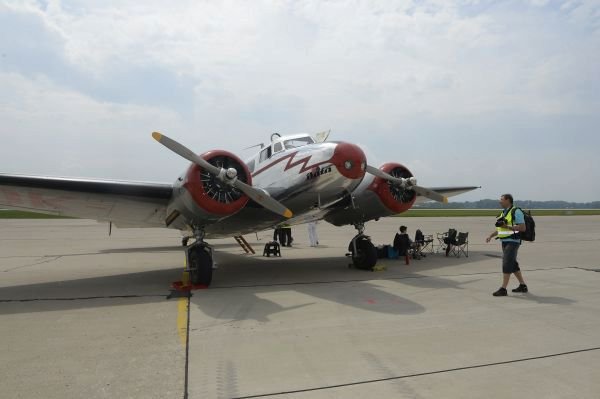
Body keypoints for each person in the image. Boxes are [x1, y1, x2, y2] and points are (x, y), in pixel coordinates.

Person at [486, 193, 528, 296]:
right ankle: (523, 286)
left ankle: (503, 289)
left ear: (508, 200)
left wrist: (507, 227)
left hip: (513, 242)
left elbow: (523, 228)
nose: (499, 201)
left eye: (501, 199)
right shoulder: (503, 212)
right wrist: (491, 235)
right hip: (504, 241)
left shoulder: (516, 211)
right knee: (513, 265)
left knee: (506, 264)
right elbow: (500, 228)